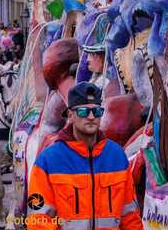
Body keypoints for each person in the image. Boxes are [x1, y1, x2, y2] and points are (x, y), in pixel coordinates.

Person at [26, 82, 143, 230]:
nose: (91, 116)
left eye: (97, 111)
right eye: (83, 112)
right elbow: (39, 220)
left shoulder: (117, 157)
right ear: (70, 115)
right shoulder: (48, 161)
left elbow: (130, 216)